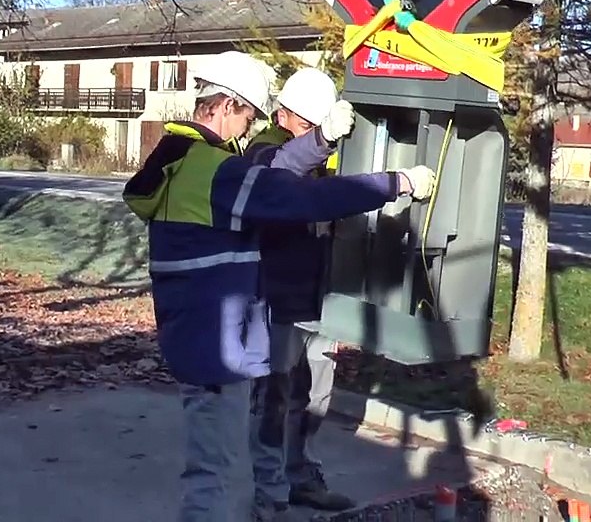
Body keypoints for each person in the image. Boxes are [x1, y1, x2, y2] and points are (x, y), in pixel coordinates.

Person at [122, 52, 435, 522]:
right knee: (216, 474)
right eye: (247, 114)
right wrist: (396, 182)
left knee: (213, 465)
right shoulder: (217, 172)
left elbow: (276, 179)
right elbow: (300, 195)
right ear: (225, 105)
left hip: (194, 332)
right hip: (215, 345)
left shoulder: (182, 161)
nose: (248, 127)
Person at [245, 68, 358, 519]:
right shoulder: (263, 152)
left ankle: (300, 473)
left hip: (316, 295)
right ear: (283, 113)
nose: (314, 135)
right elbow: (281, 169)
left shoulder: (318, 159)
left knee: (314, 393)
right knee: (273, 393)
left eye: (318, 126)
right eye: (308, 126)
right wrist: (322, 139)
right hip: (277, 296)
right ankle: (269, 490)